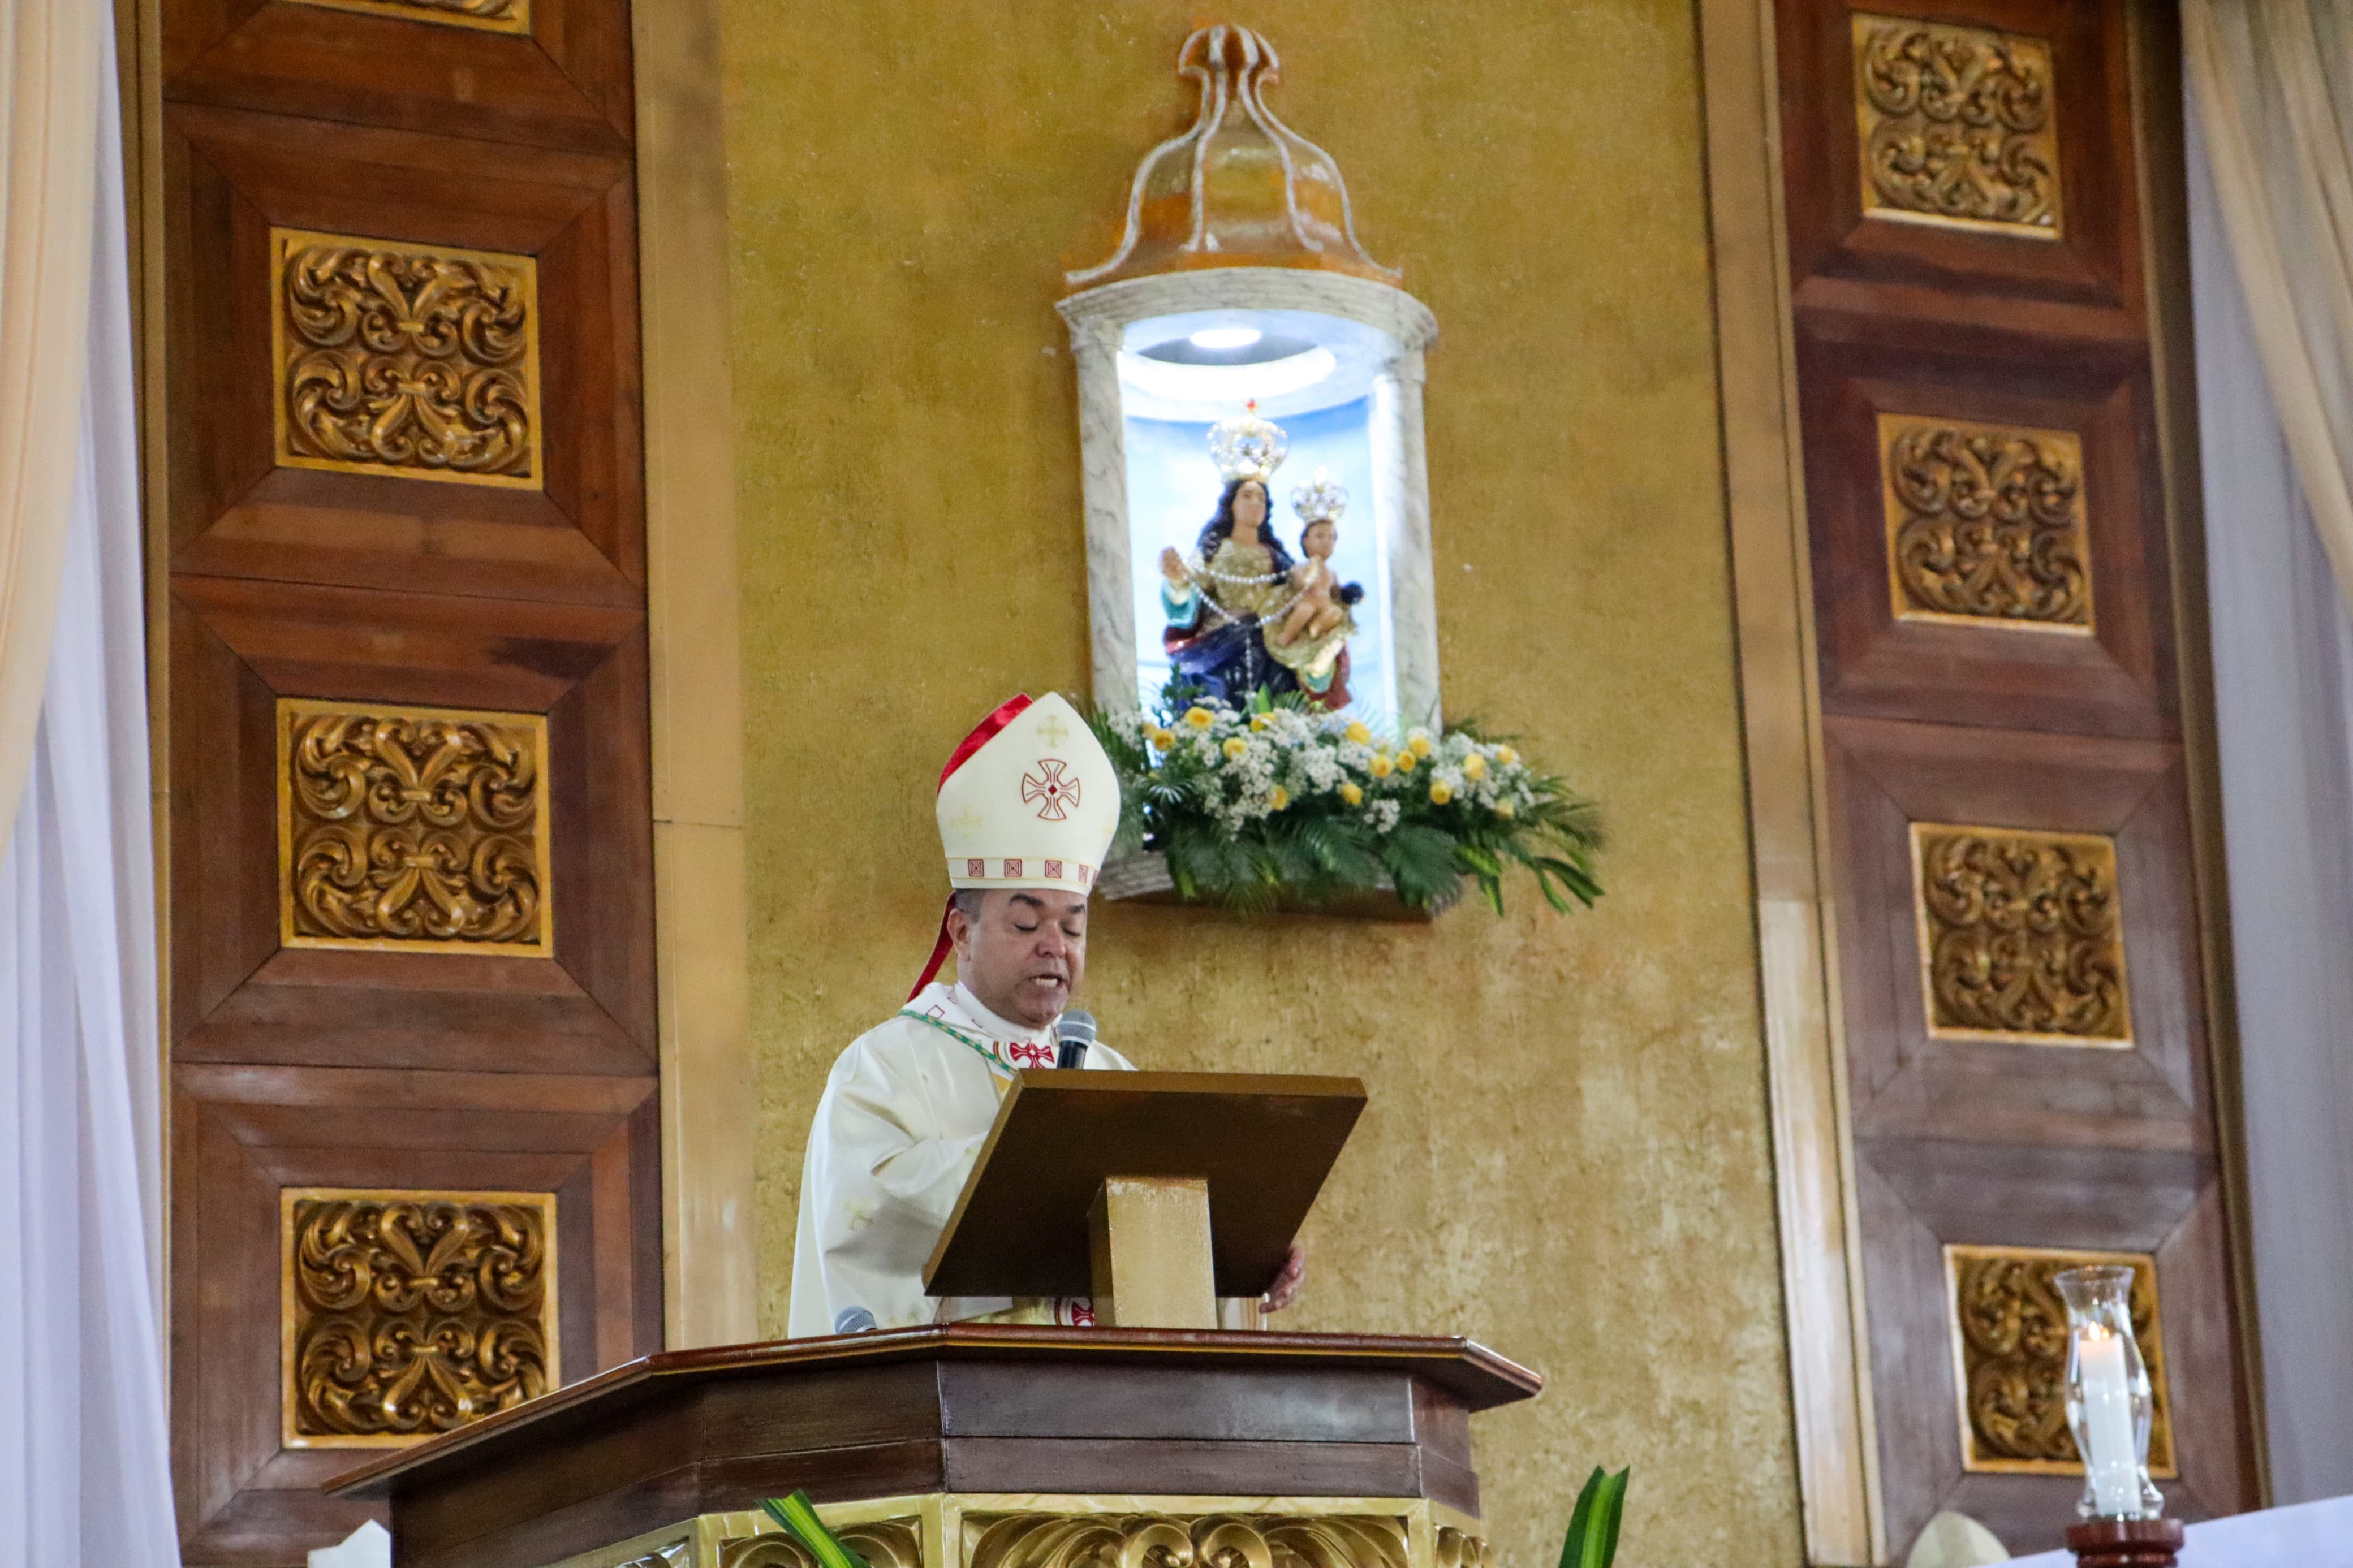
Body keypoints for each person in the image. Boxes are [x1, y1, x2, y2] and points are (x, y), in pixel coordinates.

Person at [788, 691, 1305, 1336]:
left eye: (1073, 926)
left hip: (1115, 1408)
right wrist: (1046, 1165)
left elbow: (1166, 1234)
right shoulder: (886, 1067)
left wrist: (1238, 1254)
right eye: (1027, 920)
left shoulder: (1113, 1075)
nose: (1054, 945)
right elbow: (866, 1219)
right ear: (962, 931)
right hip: (975, 1402)